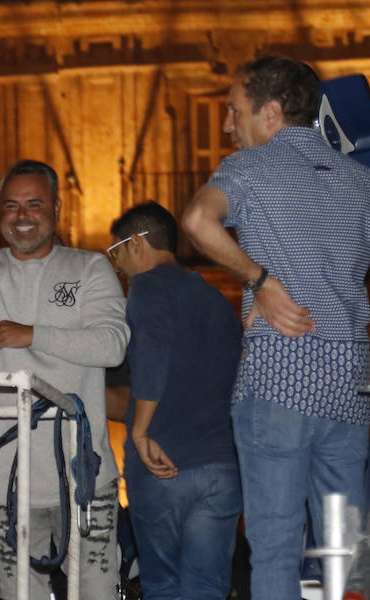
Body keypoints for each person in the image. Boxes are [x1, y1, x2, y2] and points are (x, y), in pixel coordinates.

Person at [182, 56, 370, 600]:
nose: (229, 125)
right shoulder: (362, 182)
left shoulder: (246, 171)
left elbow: (196, 221)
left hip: (276, 382)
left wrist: (262, 279)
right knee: (346, 550)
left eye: (235, 111)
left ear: (271, 113)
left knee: (276, 546)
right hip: (347, 390)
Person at [0, 137, 128, 599]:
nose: (22, 215)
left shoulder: (91, 268)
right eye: (11, 205)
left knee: (96, 593)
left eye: (34, 203)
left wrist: (31, 334)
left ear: (55, 207)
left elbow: (112, 346)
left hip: (83, 476)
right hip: (3, 478)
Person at [108, 201, 243, 599]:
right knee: (206, 588)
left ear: (136, 244)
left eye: (115, 252)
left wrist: (140, 430)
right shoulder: (217, 299)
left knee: (164, 587)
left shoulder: (147, 287)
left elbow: (152, 350)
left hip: (163, 464)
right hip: (220, 466)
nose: (117, 266)